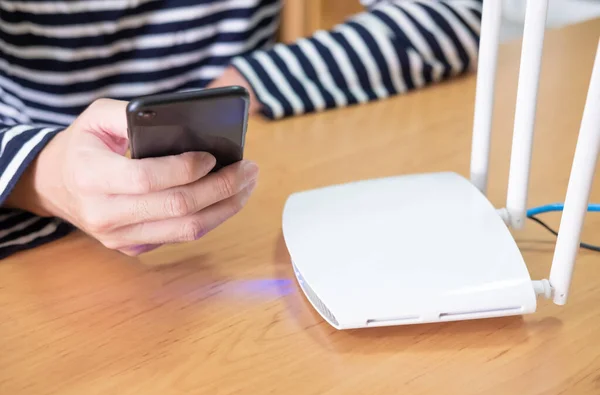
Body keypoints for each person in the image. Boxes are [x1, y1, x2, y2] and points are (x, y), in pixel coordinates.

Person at [0, 0, 483, 258]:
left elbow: (457, 12)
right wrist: (38, 173)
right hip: (35, 243)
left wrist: (251, 84)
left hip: (235, 235)